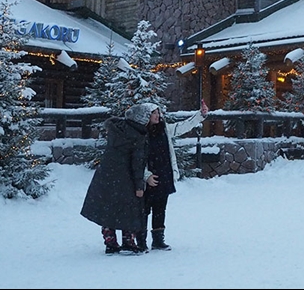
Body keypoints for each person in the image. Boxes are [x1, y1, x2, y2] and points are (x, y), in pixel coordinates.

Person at [80, 103, 154, 254]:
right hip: (126, 177)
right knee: (130, 207)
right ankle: (128, 240)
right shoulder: (137, 136)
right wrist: (139, 186)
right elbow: (137, 163)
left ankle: (110, 242)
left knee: (108, 207)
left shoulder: (117, 130)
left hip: (106, 175)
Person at [138, 100, 209, 251]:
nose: (157, 115)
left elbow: (182, 127)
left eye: (158, 112)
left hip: (164, 175)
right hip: (147, 178)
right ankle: (140, 241)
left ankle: (158, 240)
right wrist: (146, 176)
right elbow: (136, 159)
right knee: (143, 210)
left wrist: (200, 116)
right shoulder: (140, 133)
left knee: (160, 209)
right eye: (154, 113)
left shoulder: (164, 130)